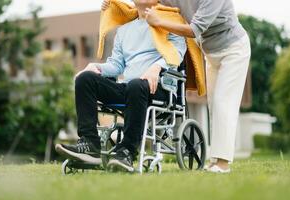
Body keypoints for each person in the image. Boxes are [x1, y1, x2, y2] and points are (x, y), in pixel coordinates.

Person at [103, 0, 251, 173]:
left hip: (233, 48)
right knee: (214, 106)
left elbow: (194, 30)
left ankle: (223, 163)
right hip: (210, 53)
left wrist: (159, 22)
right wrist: (114, 6)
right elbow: (145, 6)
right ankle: (214, 161)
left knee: (223, 103)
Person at [55, 0, 187, 172]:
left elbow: (177, 52)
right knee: (85, 79)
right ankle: (90, 144)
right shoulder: (124, 30)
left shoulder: (170, 21)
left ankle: (126, 151)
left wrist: (157, 67)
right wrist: (96, 67)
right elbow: (116, 65)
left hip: (160, 88)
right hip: (130, 88)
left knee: (136, 85)